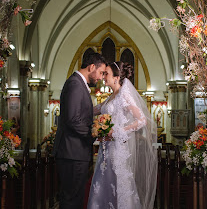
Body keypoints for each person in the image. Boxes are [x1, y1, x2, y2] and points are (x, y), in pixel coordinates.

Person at [87, 61, 157, 209]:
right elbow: (94, 110)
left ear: (116, 77)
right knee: (103, 181)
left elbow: (142, 120)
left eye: (107, 74)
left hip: (117, 148)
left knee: (118, 183)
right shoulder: (111, 97)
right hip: (105, 148)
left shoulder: (124, 96)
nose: (104, 77)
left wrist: (117, 131)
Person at [52, 53, 107, 209]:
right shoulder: (76, 84)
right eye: (101, 72)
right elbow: (73, 120)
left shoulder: (78, 84)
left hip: (74, 152)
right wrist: (94, 134)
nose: (101, 77)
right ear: (91, 67)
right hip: (72, 153)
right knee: (72, 200)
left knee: (74, 198)